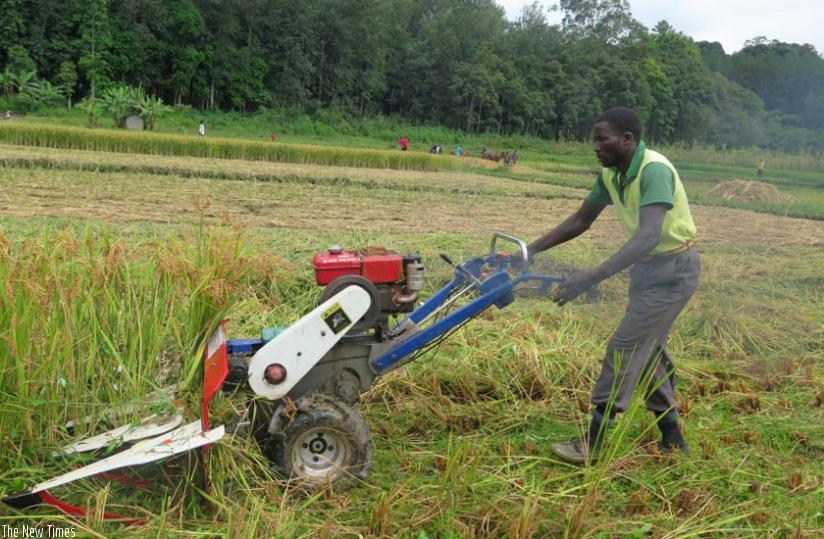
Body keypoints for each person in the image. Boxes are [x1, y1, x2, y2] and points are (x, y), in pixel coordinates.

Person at [523, 106, 700, 464]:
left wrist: (591, 275)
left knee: (624, 346)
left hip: (673, 271)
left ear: (627, 139)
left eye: (602, 139)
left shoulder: (653, 171)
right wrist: (528, 251)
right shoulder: (611, 174)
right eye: (594, 140)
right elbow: (580, 220)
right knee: (647, 350)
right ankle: (672, 436)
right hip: (647, 272)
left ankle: (595, 441)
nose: (596, 147)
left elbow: (649, 236)